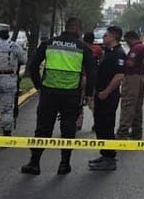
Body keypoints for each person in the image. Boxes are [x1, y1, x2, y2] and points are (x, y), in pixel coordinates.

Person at [21, 17, 97, 176]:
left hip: (49, 93)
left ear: (67, 27)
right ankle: (64, 164)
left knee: (42, 128)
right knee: (68, 128)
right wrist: (89, 94)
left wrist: (38, 86)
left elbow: (33, 66)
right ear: (77, 29)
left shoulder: (49, 43)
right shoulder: (82, 47)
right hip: (70, 94)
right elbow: (92, 72)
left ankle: (34, 163)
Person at [88, 26, 126, 172]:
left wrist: (106, 91)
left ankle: (110, 158)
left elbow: (119, 76)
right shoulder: (107, 52)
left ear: (114, 37)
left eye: (107, 35)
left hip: (108, 96)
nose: (104, 37)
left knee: (107, 126)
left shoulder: (119, 53)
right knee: (100, 126)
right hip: (100, 93)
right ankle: (104, 155)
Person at [117, 30, 144, 139]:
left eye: (127, 41)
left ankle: (122, 132)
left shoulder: (136, 48)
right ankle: (137, 131)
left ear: (130, 38)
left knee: (128, 105)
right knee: (137, 107)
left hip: (132, 79)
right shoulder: (143, 47)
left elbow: (130, 63)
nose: (127, 44)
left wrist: (120, 63)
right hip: (140, 77)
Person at [76, 31, 103, 132]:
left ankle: (78, 123)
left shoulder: (81, 47)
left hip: (81, 76)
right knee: (92, 101)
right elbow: (101, 62)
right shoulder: (98, 49)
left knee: (79, 101)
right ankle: (97, 123)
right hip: (93, 78)